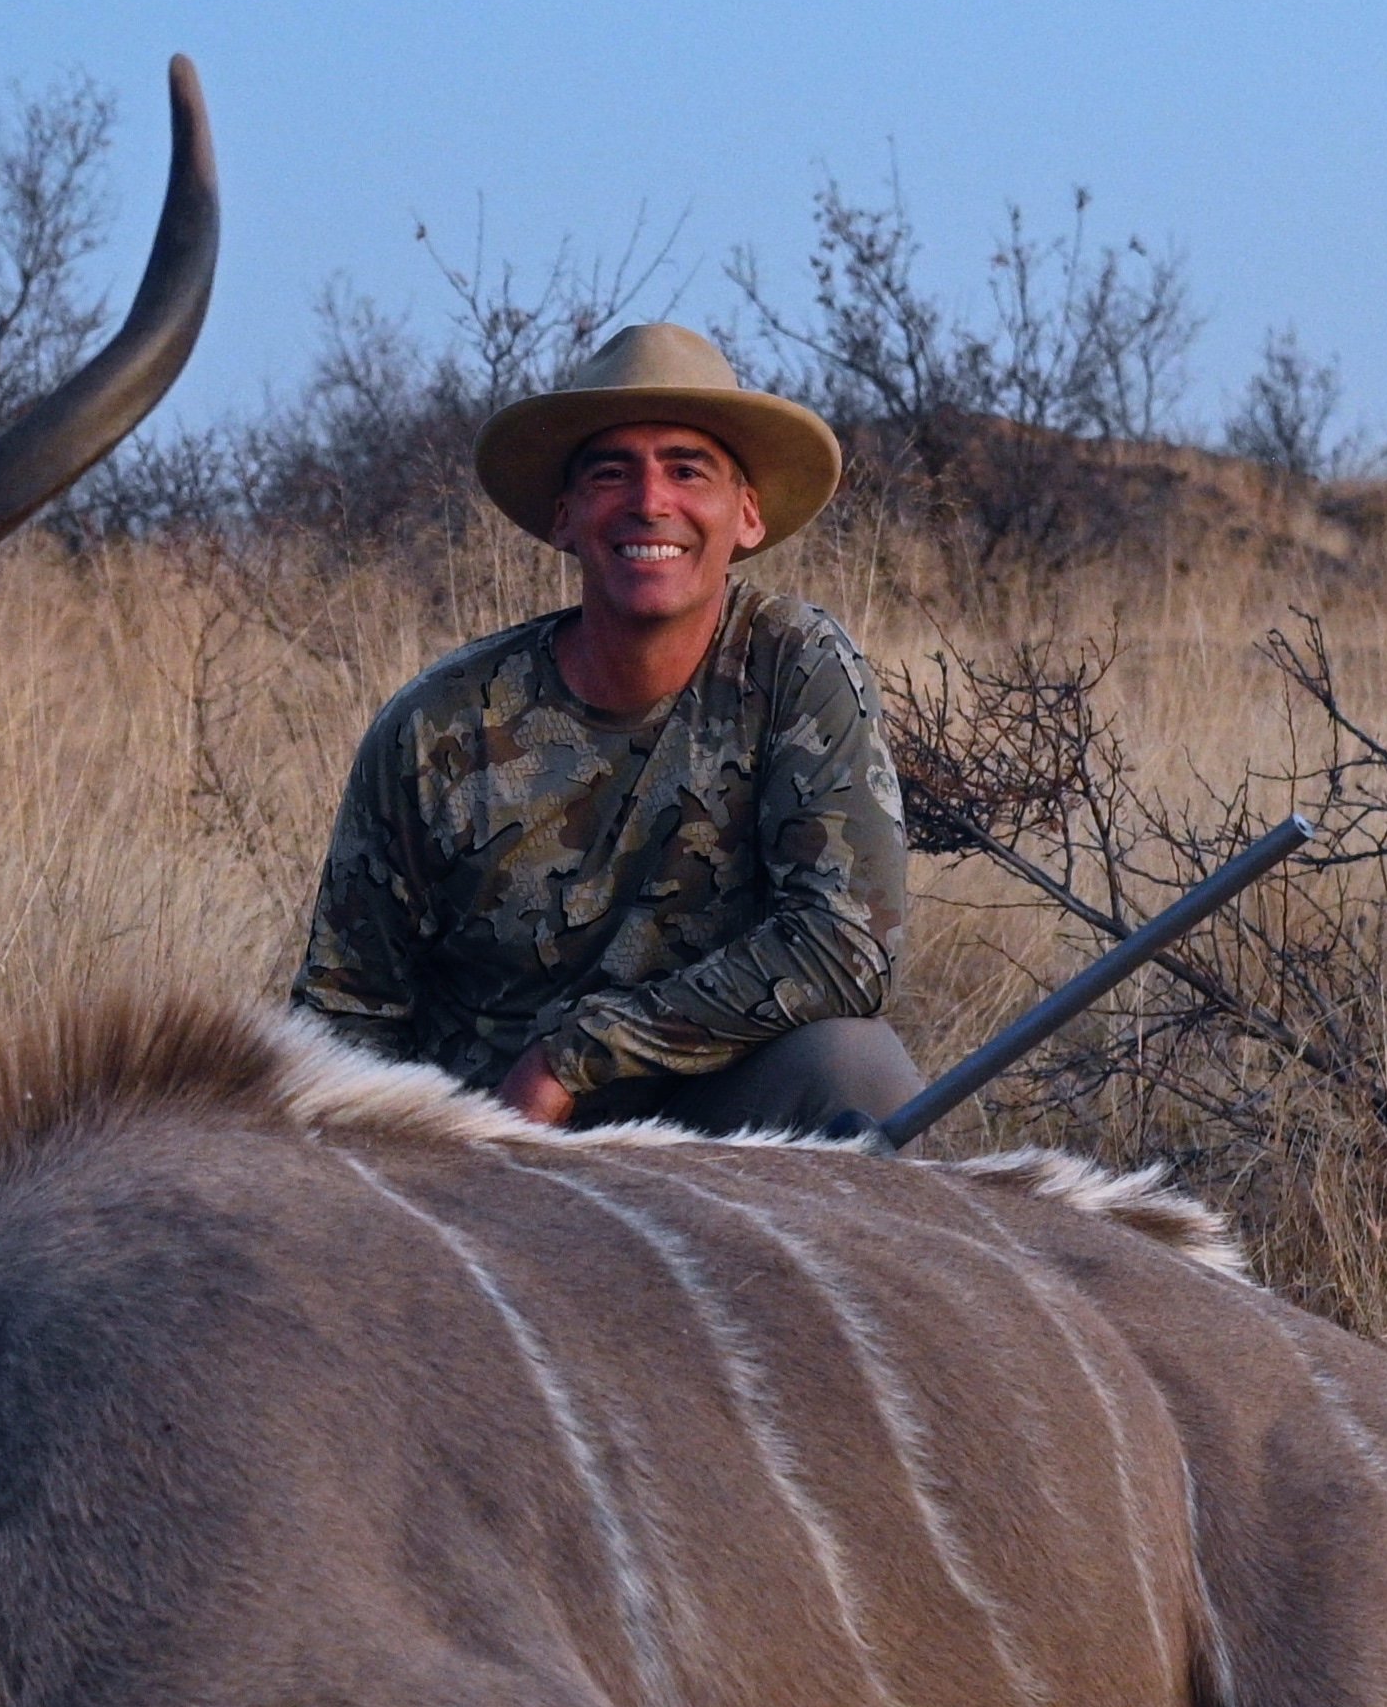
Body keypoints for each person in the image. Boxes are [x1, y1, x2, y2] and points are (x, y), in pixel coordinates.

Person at [292, 321, 920, 1137]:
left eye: (686, 469)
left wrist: (572, 1058)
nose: (650, 501)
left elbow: (845, 948)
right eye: (611, 471)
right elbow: (345, 1011)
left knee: (854, 1070)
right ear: (563, 517)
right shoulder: (435, 725)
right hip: (481, 1149)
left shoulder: (795, 664)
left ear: (747, 517)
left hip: (710, 1131)